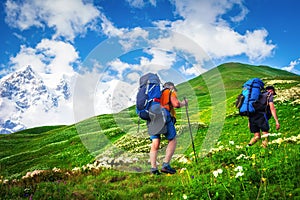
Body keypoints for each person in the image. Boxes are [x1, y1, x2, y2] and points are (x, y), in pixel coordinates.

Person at [149, 82, 188, 175]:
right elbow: (176, 104)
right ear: (171, 87)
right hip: (163, 116)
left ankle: (153, 169)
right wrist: (184, 103)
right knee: (172, 140)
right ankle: (166, 165)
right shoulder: (169, 92)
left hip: (152, 118)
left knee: (155, 142)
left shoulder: (156, 95)